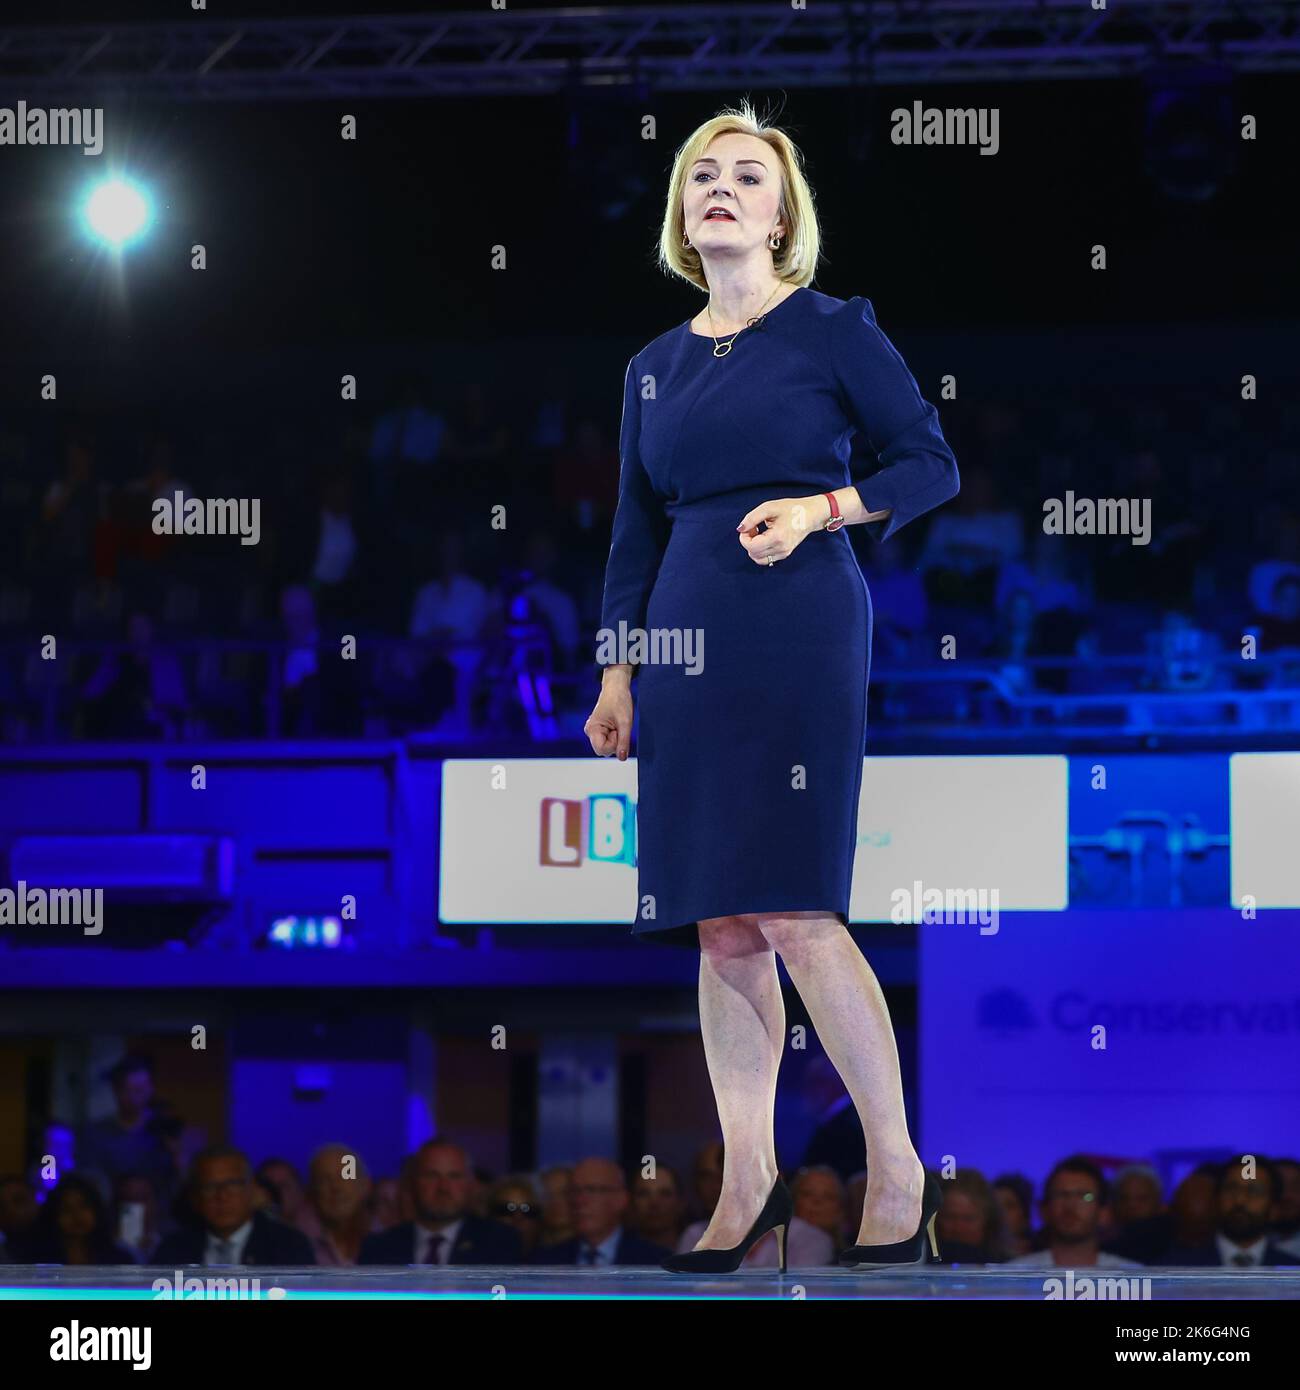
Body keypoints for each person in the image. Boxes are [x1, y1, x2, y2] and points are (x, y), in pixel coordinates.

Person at [582, 101, 958, 1273]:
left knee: (794, 903)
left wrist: (818, 508)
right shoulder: (651, 365)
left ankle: (894, 1162)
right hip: (683, 635)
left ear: (783, 212)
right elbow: (631, 531)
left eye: (748, 174)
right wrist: (616, 670)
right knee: (720, 919)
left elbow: (928, 463)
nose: (722, 188)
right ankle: (746, 1171)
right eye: (704, 175)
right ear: (682, 212)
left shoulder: (835, 329)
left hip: (797, 619)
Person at [358, 1140, 521, 1265]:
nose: (443, 1187)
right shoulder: (379, 1248)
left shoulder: (500, 1243)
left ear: (471, 1184)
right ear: (413, 1183)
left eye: (454, 1176)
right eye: (431, 1175)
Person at [151, 1146, 317, 1266]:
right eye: (210, 1187)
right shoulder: (172, 1250)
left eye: (233, 1185)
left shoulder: (289, 1246)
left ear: (252, 1190)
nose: (222, 1196)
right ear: (195, 1197)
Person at [529, 1158, 672, 1267]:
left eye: (592, 1190)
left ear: (621, 1199)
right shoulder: (546, 1261)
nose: (580, 1200)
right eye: (575, 1191)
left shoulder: (656, 1262)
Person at [1002, 1159, 1141, 1269]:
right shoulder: (1013, 1277)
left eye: (1084, 1196)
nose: (1070, 1205)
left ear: (1104, 1212)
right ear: (1044, 1210)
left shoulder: (1133, 1279)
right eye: (1061, 1194)